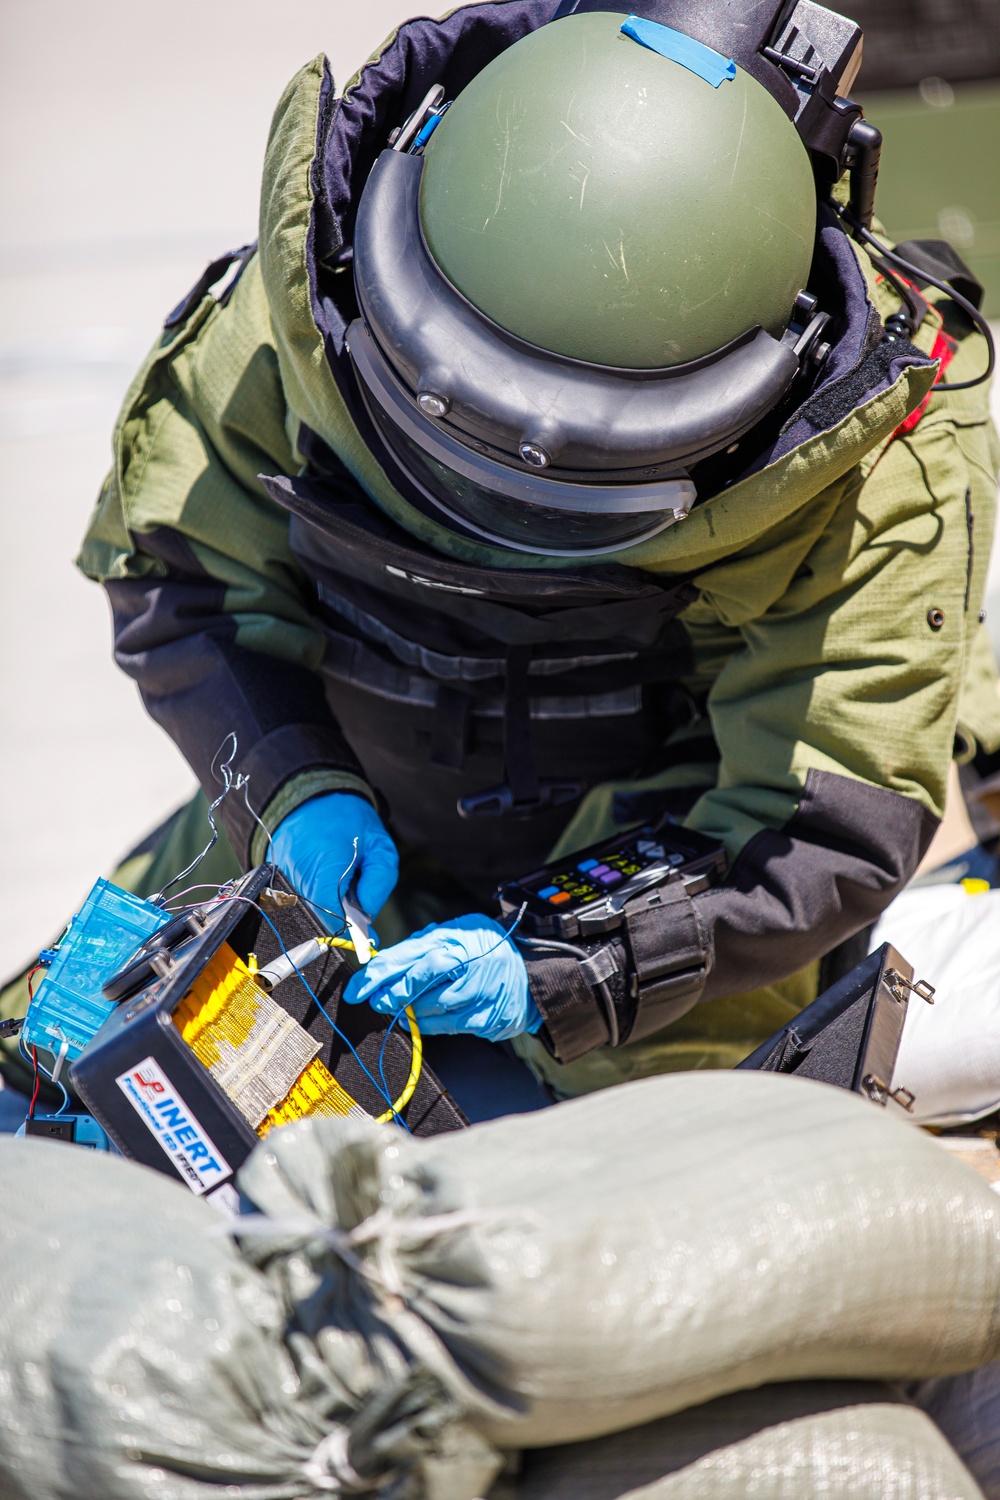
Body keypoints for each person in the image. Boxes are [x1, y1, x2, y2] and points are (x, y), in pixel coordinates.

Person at [64, 0, 1000, 1100]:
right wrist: (289, 786)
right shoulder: (294, 311)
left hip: (676, 905)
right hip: (332, 827)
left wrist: (573, 966)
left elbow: (820, 819)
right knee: (64, 1091)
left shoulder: (869, 467)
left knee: (607, 1218)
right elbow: (182, 573)